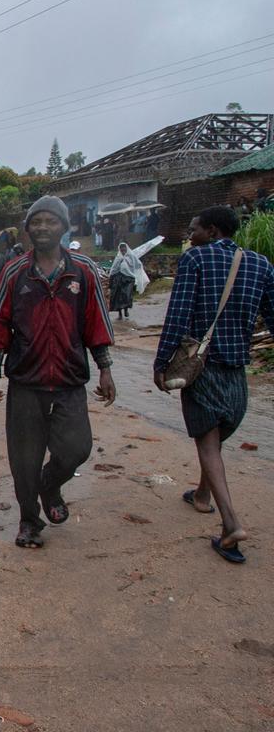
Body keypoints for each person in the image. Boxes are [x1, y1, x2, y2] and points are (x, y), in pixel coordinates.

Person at [0, 195, 117, 550]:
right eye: (36, 222)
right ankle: (29, 520)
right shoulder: (15, 272)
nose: (43, 228)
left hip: (70, 380)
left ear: (63, 227)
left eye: (51, 222)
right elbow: (0, 322)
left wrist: (105, 368)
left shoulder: (83, 270)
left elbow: (95, 324)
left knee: (78, 448)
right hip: (26, 380)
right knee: (24, 457)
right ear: (28, 229)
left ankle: (50, 484)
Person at [154, 206, 274, 565]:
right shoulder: (261, 265)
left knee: (208, 446)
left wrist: (161, 363)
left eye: (193, 229)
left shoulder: (196, 261)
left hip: (202, 368)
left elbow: (178, 314)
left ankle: (232, 524)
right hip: (237, 371)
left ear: (211, 230)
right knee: (216, 438)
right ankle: (202, 495)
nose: (188, 235)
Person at [108, 242, 149, 320]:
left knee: (127, 295)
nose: (123, 250)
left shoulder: (131, 256)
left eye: (124, 248)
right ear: (119, 249)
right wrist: (111, 277)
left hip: (128, 279)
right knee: (117, 297)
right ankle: (120, 313)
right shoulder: (118, 257)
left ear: (126, 249)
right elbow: (114, 268)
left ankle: (126, 310)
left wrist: (135, 270)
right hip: (118, 279)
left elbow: (138, 264)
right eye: (121, 249)